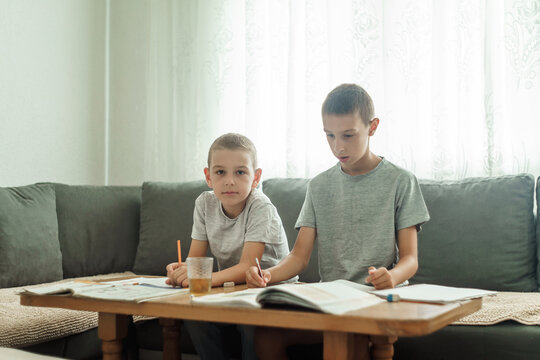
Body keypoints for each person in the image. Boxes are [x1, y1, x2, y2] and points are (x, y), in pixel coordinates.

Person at [245, 84, 430, 360]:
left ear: (373, 127)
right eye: (329, 135)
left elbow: (411, 259)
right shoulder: (319, 186)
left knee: (350, 338)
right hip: (332, 301)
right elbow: (298, 257)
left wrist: (391, 277)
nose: (338, 146)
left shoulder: (401, 181)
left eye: (348, 135)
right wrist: (268, 275)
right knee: (266, 335)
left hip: (379, 300)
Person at [166, 132, 292, 360]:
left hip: (270, 288)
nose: (230, 181)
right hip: (232, 287)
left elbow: (247, 267)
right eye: (220, 172)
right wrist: (182, 271)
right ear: (208, 176)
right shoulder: (204, 203)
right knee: (195, 315)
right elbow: (195, 260)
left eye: (240, 172)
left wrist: (201, 278)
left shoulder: (260, 206)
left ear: (256, 177)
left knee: (250, 322)